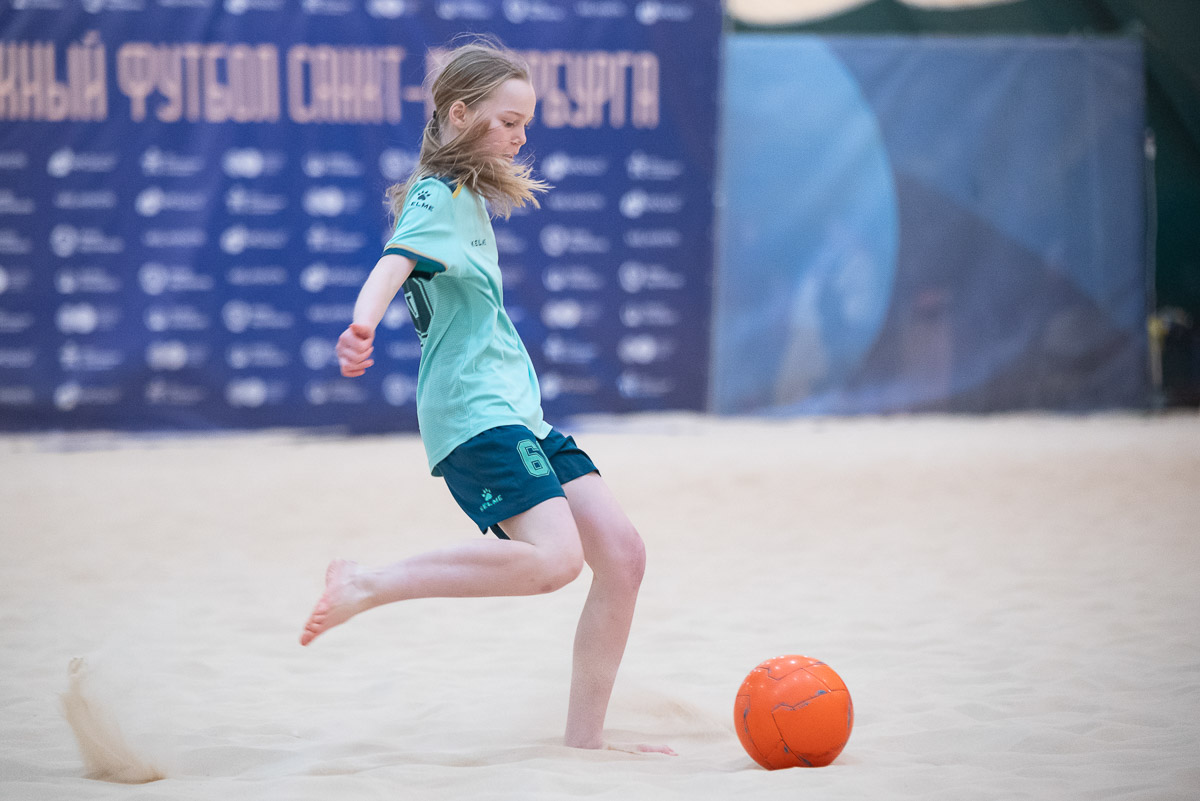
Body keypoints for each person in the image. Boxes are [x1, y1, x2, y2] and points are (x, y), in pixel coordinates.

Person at [299, 38, 674, 756]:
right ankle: (366, 583)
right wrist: (361, 324)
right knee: (556, 560)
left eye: (525, 122)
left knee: (623, 556)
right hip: (475, 413)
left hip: (517, 412)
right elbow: (392, 262)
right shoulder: (436, 195)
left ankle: (584, 741)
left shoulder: (465, 195)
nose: (520, 136)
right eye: (508, 121)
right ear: (459, 114)